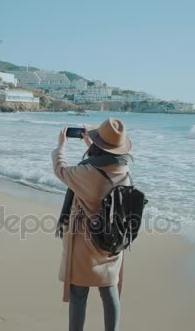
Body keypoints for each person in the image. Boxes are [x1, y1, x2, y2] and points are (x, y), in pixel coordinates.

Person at [52, 117, 132, 331]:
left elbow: (61, 170)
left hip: (85, 242)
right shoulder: (123, 169)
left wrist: (60, 147)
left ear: (98, 145)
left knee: (79, 294)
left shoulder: (87, 172)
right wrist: (93, 146)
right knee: (110, 290)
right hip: (113, 238)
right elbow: (105, 164)